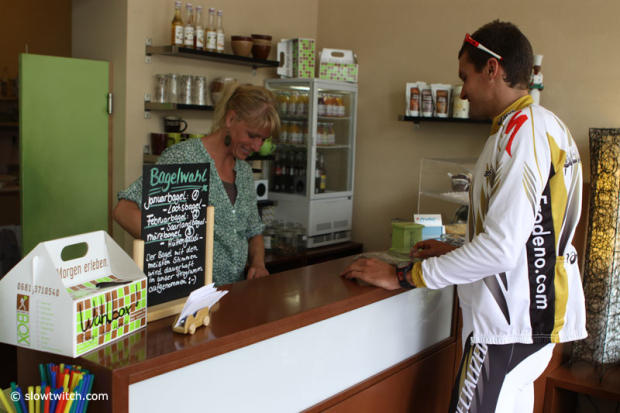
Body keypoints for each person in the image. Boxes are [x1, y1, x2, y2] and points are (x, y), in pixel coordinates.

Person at [342, 21, 586, 413]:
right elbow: (526, 235)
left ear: (492, 69)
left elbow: (501, 249)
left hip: (507, 330)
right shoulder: (542, 126)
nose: (463, 91)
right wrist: (457, 250)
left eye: (465, 77)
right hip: (530, 325)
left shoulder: (521, 133)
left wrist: (403, 276)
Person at [113, 84, 280, 285]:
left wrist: (258, 264)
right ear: (230, 119)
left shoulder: (243, 171)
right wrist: (175, 247)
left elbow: (254, 231)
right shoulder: (184, 158)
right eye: (252, 135)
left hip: (233, 292)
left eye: (263, 139)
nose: (257, 146)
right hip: (189, 293)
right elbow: (124, 210)